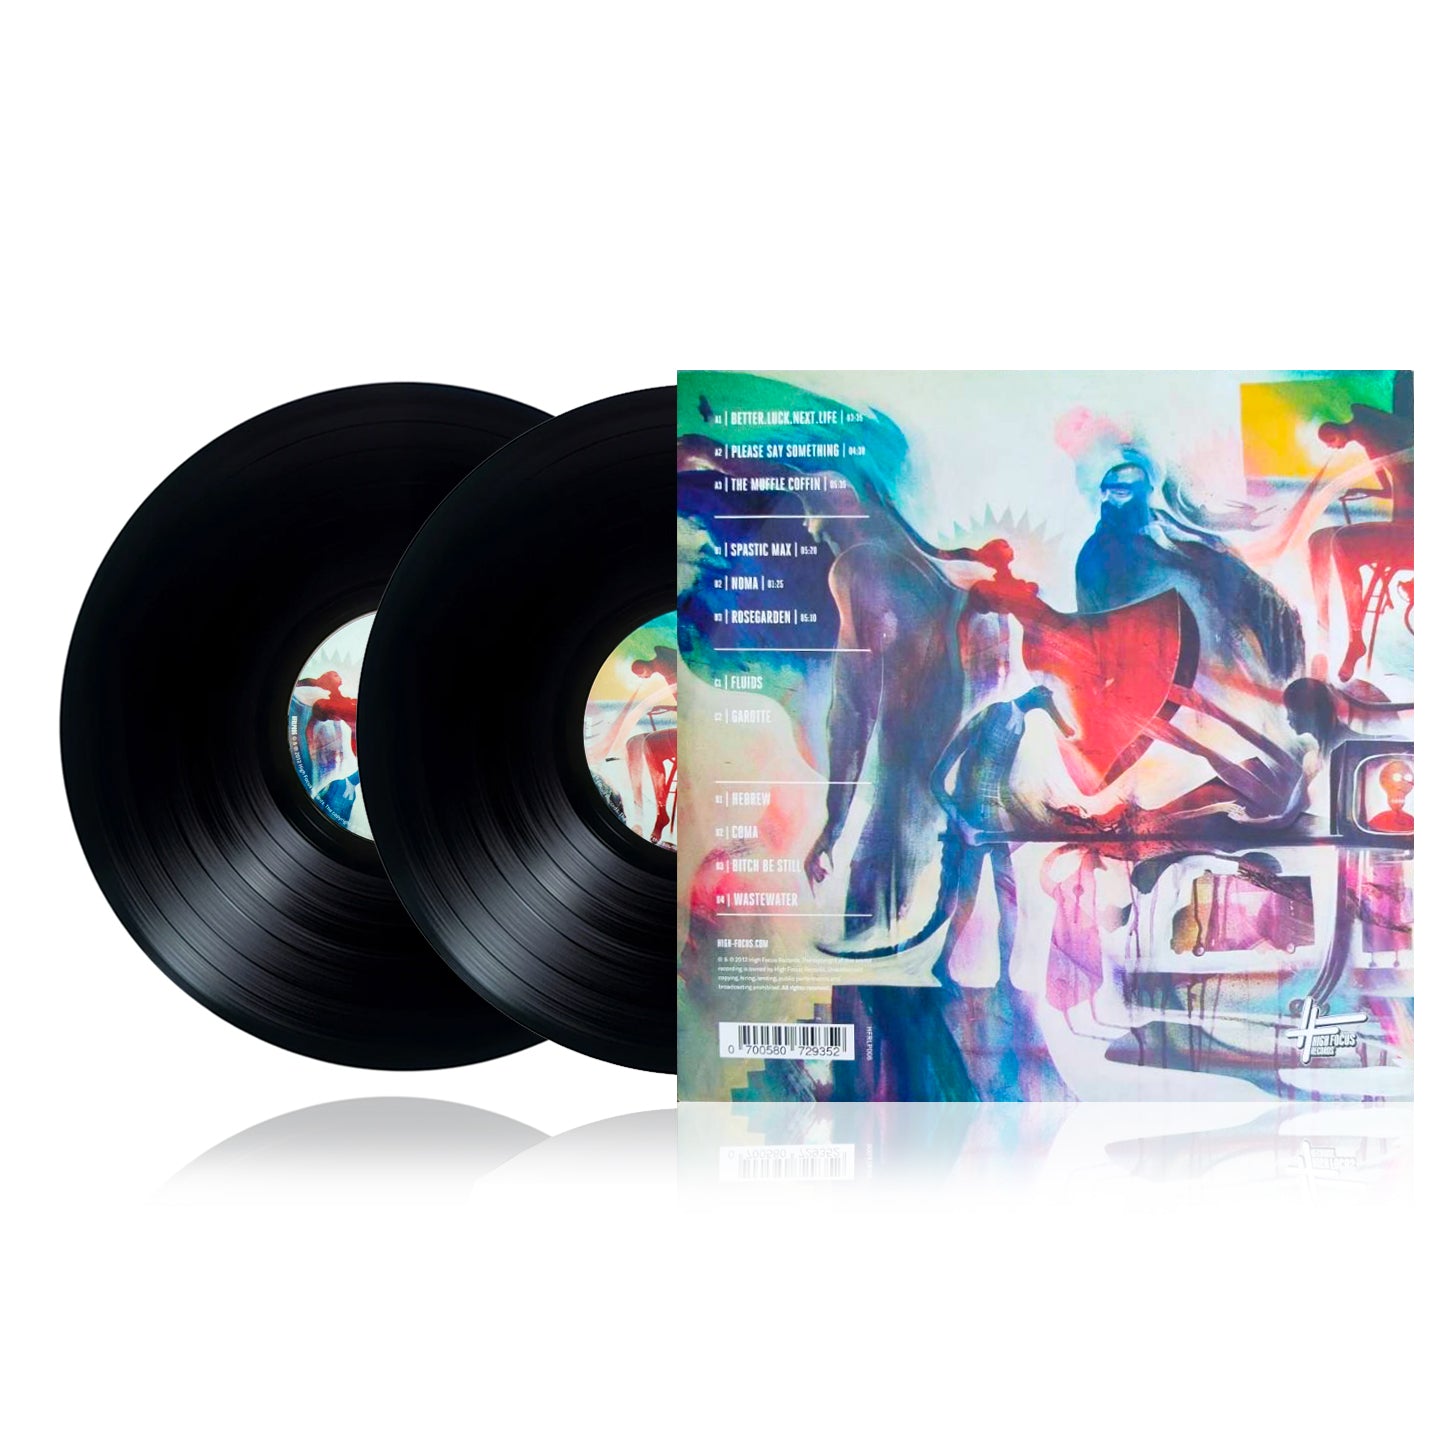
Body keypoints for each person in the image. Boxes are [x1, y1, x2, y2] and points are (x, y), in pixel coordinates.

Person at [1306, 373, 1414, 681]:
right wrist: (1364, 491)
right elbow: (1389, 485)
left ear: (1334, 433)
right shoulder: (1370, 438)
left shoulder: (1370, 427)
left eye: (1332, 443)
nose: (1336, 449)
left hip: (1412, 535)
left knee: (1343, 542)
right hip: (1405, 526)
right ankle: (1331, 632)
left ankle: (1355, 639)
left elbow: (1405, 476)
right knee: (1322, 540)